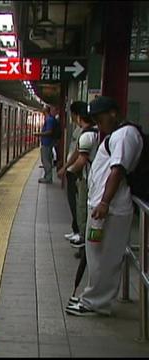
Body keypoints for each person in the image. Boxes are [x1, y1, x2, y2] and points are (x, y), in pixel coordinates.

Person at [65, 96, 143, 316]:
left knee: (105, 258)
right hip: (104, 208)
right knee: (97, 255)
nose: (99, 125)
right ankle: (92, 298)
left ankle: (96, 302)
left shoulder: (125, 135)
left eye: (100, 119)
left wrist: (105, 202)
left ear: (113, 113)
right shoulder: (118, 134)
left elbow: (117, 170)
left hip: (112, 209)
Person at [57, 101, 99, 302]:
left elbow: (80, 158)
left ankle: (84, 249)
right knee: (82, 213)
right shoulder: (92, 133)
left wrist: (68, 171)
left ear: (77, 115)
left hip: (86, 182)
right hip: (88, 182)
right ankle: (84, 245)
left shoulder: (88, 135)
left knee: (82, 212)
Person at [57, 102, 86, 243]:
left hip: (76, 172)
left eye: (72, 114)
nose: (72, 117)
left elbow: (78, 154)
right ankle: (76, 229)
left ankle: (79, 233)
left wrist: (68, 168)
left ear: (77, 114)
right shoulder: (79, 130)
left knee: (78, 204)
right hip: (72, 170)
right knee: (73, 202)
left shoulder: (85, 132)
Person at [33, 105, 57, 183]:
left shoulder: (49, 120)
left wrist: (38, 134)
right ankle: (47, 176)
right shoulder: (49, 119)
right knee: (47, 160)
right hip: (47, 143)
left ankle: (48, 178)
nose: (42, 108)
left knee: (45, 160)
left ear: (46, 110)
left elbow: (49, 132)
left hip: (47, 143)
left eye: (43, 107)